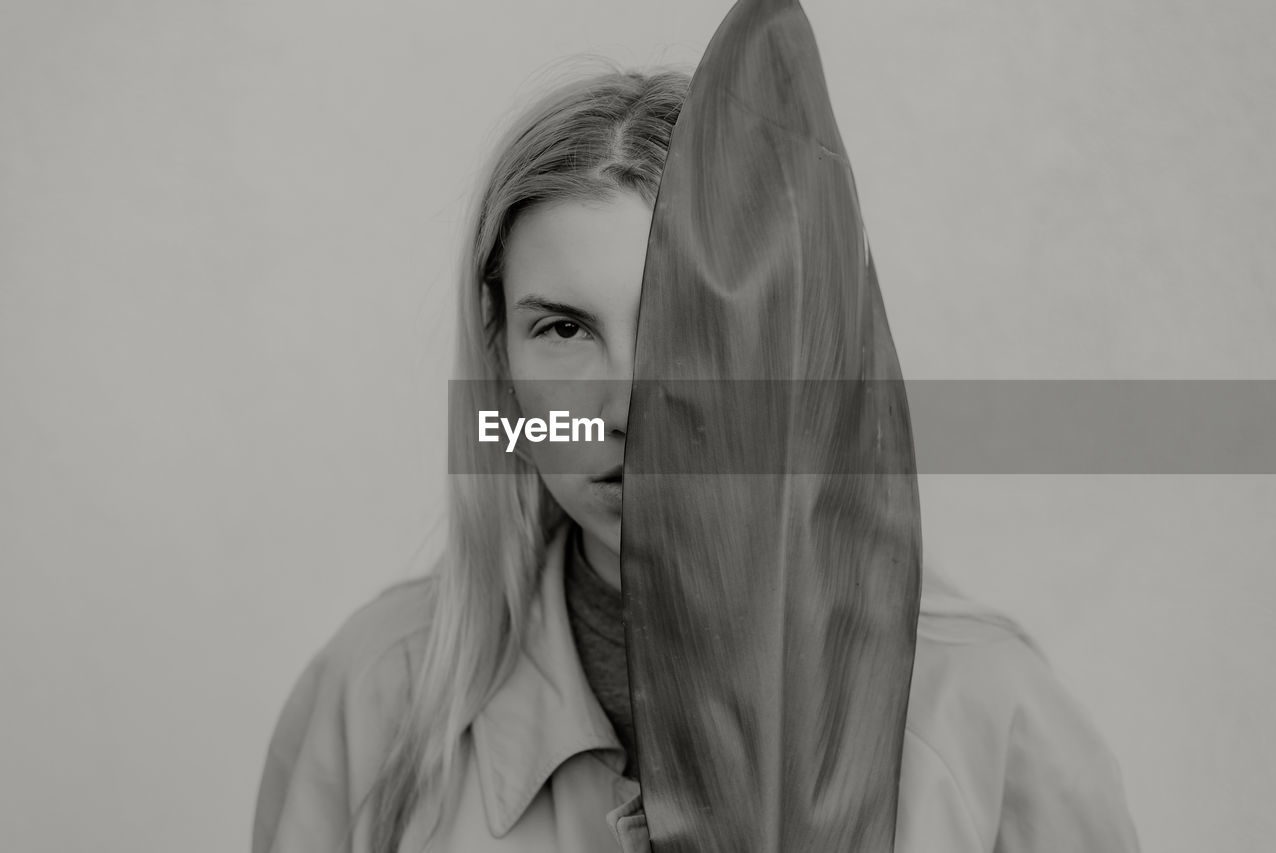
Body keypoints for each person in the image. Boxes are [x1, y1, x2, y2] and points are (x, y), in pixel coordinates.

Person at [251, 67, 1141, 853]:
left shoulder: (985, 715)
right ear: (499, 350)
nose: (625, 407)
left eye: (684, 326)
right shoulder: (370, 701)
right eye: (563, 329)